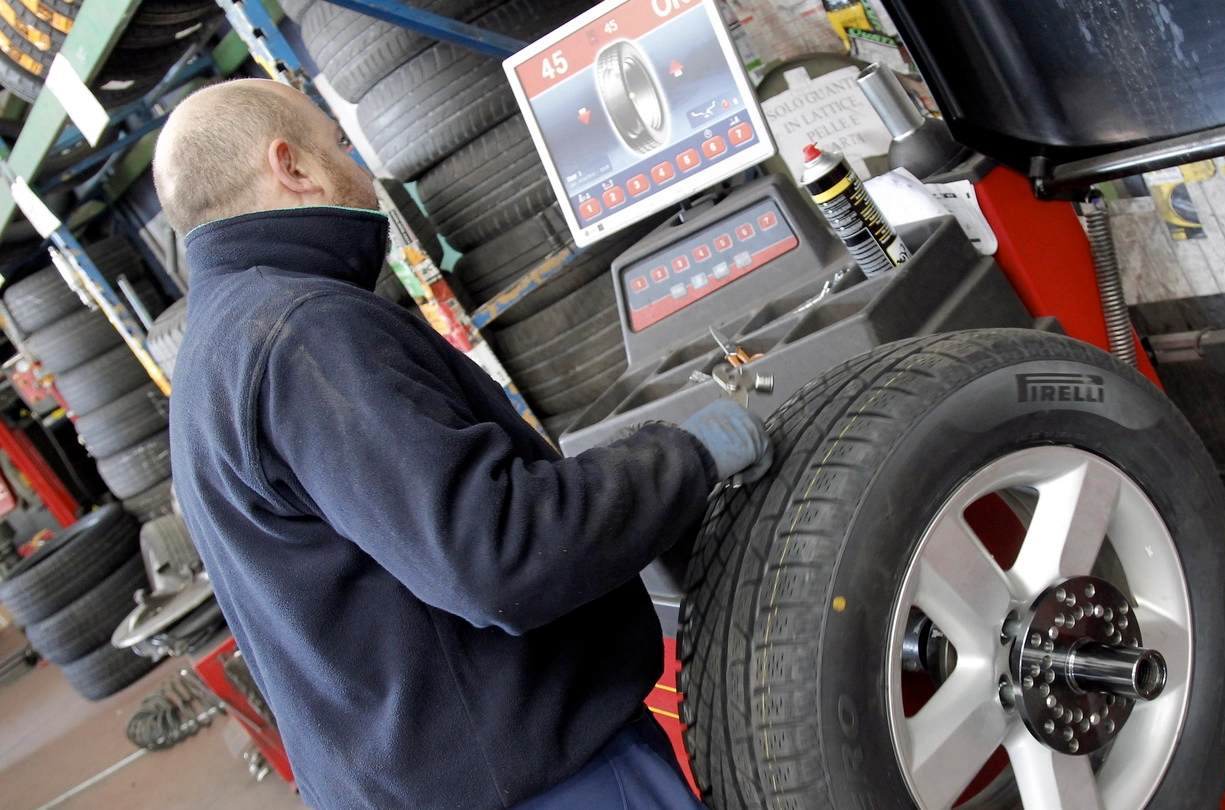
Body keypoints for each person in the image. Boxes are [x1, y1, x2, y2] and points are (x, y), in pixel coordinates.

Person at [154, 78, 772, 810]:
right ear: (293, 167)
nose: (359, 168)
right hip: (543, 784)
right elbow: (498, 553)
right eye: (340, 144)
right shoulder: (306, 332)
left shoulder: (214, 352)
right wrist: (686, 455)